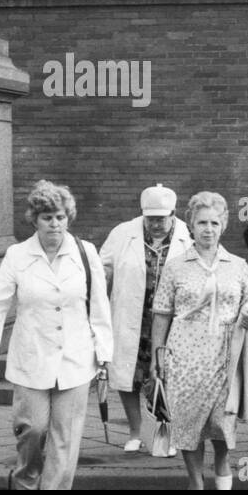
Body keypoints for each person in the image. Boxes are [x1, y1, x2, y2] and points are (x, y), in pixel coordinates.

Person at [0, 180, 113, 489]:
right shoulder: (17, 255)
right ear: (35, 220)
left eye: (60, 217)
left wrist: (104, 354)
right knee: (32, 430)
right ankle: (25, 480)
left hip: (76, 360)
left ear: (69, 218)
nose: (54, 224)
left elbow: (99, 307)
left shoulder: (85, 252)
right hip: (31, 359)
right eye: (47, 217)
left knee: (65, 440)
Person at [150, 192, 248, 489]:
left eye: (214, 222)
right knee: (188, 423)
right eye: (201, 223)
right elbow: (161, 313)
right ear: (191, 225)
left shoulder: (237, 265)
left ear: (223, 224)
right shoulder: (175, 266)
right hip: (183, 354)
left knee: (222, 426)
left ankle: (222, 477)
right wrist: (157, 358)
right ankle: (196, 483)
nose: (208, 229)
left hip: (225, 354)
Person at [99, 184, 192, 452]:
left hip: (171, 322)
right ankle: (135, 432)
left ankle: (166, 433)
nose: (156, 225)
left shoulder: (188, 235)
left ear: (173, 213)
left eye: (162, 219)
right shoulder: (122, 234)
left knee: (168, 377)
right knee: (130, 377)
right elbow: (102, 269)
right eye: (151, 219)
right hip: (132, 318)